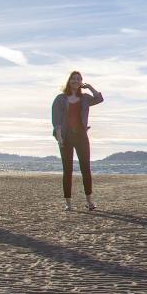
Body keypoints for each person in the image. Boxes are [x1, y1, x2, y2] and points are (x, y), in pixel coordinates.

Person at [51, 71, 105, 211]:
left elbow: (99, 99)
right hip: (66, 136)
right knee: (67, 170)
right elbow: (56, 120)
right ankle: (68, 204)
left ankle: (90, 202)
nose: (76, 81)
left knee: (86, 169)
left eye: (78, 79)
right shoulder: (60, 99)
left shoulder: (85, 98)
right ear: (69, 81)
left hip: (81, 136)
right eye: (73, 79)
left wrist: (91, 87)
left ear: (81, 82)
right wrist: (59, 137)